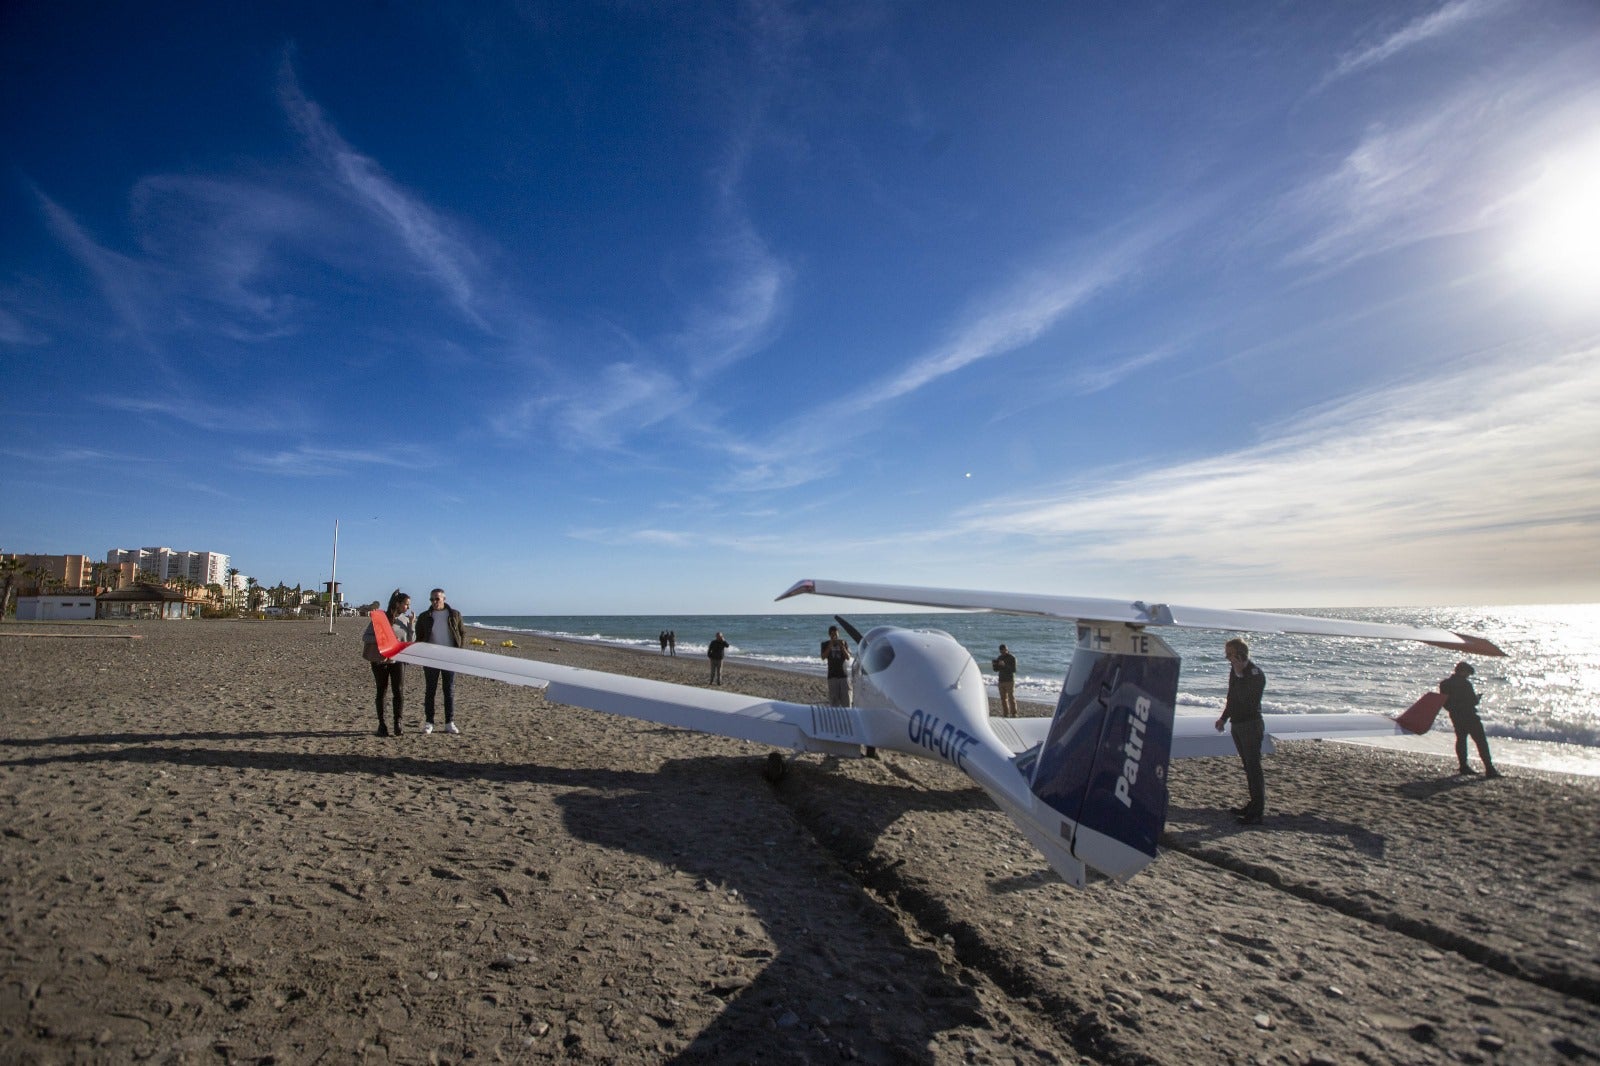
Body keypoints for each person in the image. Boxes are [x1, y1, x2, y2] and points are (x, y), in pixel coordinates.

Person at [1213, 638, 1267, 825]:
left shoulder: (1255, 674)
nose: (1227, 657)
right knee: (1248, 766)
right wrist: (1223, 718)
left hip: (1251, 725)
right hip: (1237, 724)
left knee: (1254, 768)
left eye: (1230, 654)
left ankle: (1257, 811)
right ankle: (1253, 804)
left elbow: (1247, 700)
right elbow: (1232, 698)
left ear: (1239, 654)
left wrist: (1239, 673)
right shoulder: (1234, 673)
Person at [362, 590, 413, 736]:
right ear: (398, 603)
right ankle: (382, 724)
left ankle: (398, 724)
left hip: (398, 660)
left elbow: (410, 641)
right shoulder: (380, 618)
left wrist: (411, 626)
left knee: (399, 691)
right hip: (380, 660)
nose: (407, 608)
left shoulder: (404, 620)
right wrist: (382, 642)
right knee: (382, 691)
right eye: (406, 604)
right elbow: (365, 637)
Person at [416, 588, 467, 734]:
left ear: (444, 598)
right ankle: (429, 722)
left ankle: (449, 722)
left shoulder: (454, 614)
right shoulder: (425, 616)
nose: (434, 602)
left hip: (450, 657)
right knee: (430, 691)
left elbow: (462, 632)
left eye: (437, 599)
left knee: (448, 690)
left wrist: (459, 650)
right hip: (431, 658)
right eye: (431, 599)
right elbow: (419, 636)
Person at [1440, 661, 1500, 777]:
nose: (1468, 676)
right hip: (1469, 715)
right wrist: (1477, 698)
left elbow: (1445, 702)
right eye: (1467, 673)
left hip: (1455, 715)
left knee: (1461, 740)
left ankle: (1463, 766)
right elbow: (1472, 701)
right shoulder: (1465, 684)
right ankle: (1489, 768)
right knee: (1481, 741)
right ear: (1463, 672)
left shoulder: (1444, 684)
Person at [821, 625, 853, 707]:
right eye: (832, 634)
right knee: (834, 701)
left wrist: (842, 647)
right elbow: (823, 657)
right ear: (829, 635)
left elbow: (848, 657)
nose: (834, 636)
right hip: (832, 676)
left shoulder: (844, 643)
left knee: (847, 701)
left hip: (843, 676)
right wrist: (830, 645)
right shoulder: (825, 644)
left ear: (838, 634)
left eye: (836, 634)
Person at [992, 643, 1018, 718]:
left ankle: (1014, 713)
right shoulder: (999, 657)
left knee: (1011, 697)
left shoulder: (1012, 658)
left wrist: (1004, 665)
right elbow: (996, 670)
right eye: (1002, 651)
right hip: (1001, 680)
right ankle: (1006, 713)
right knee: (1003, 698)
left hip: (1009, 680)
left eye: (1005, 650)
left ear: (1007, 650)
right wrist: (995, 665)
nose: (1003, 652)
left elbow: (1013, 670)